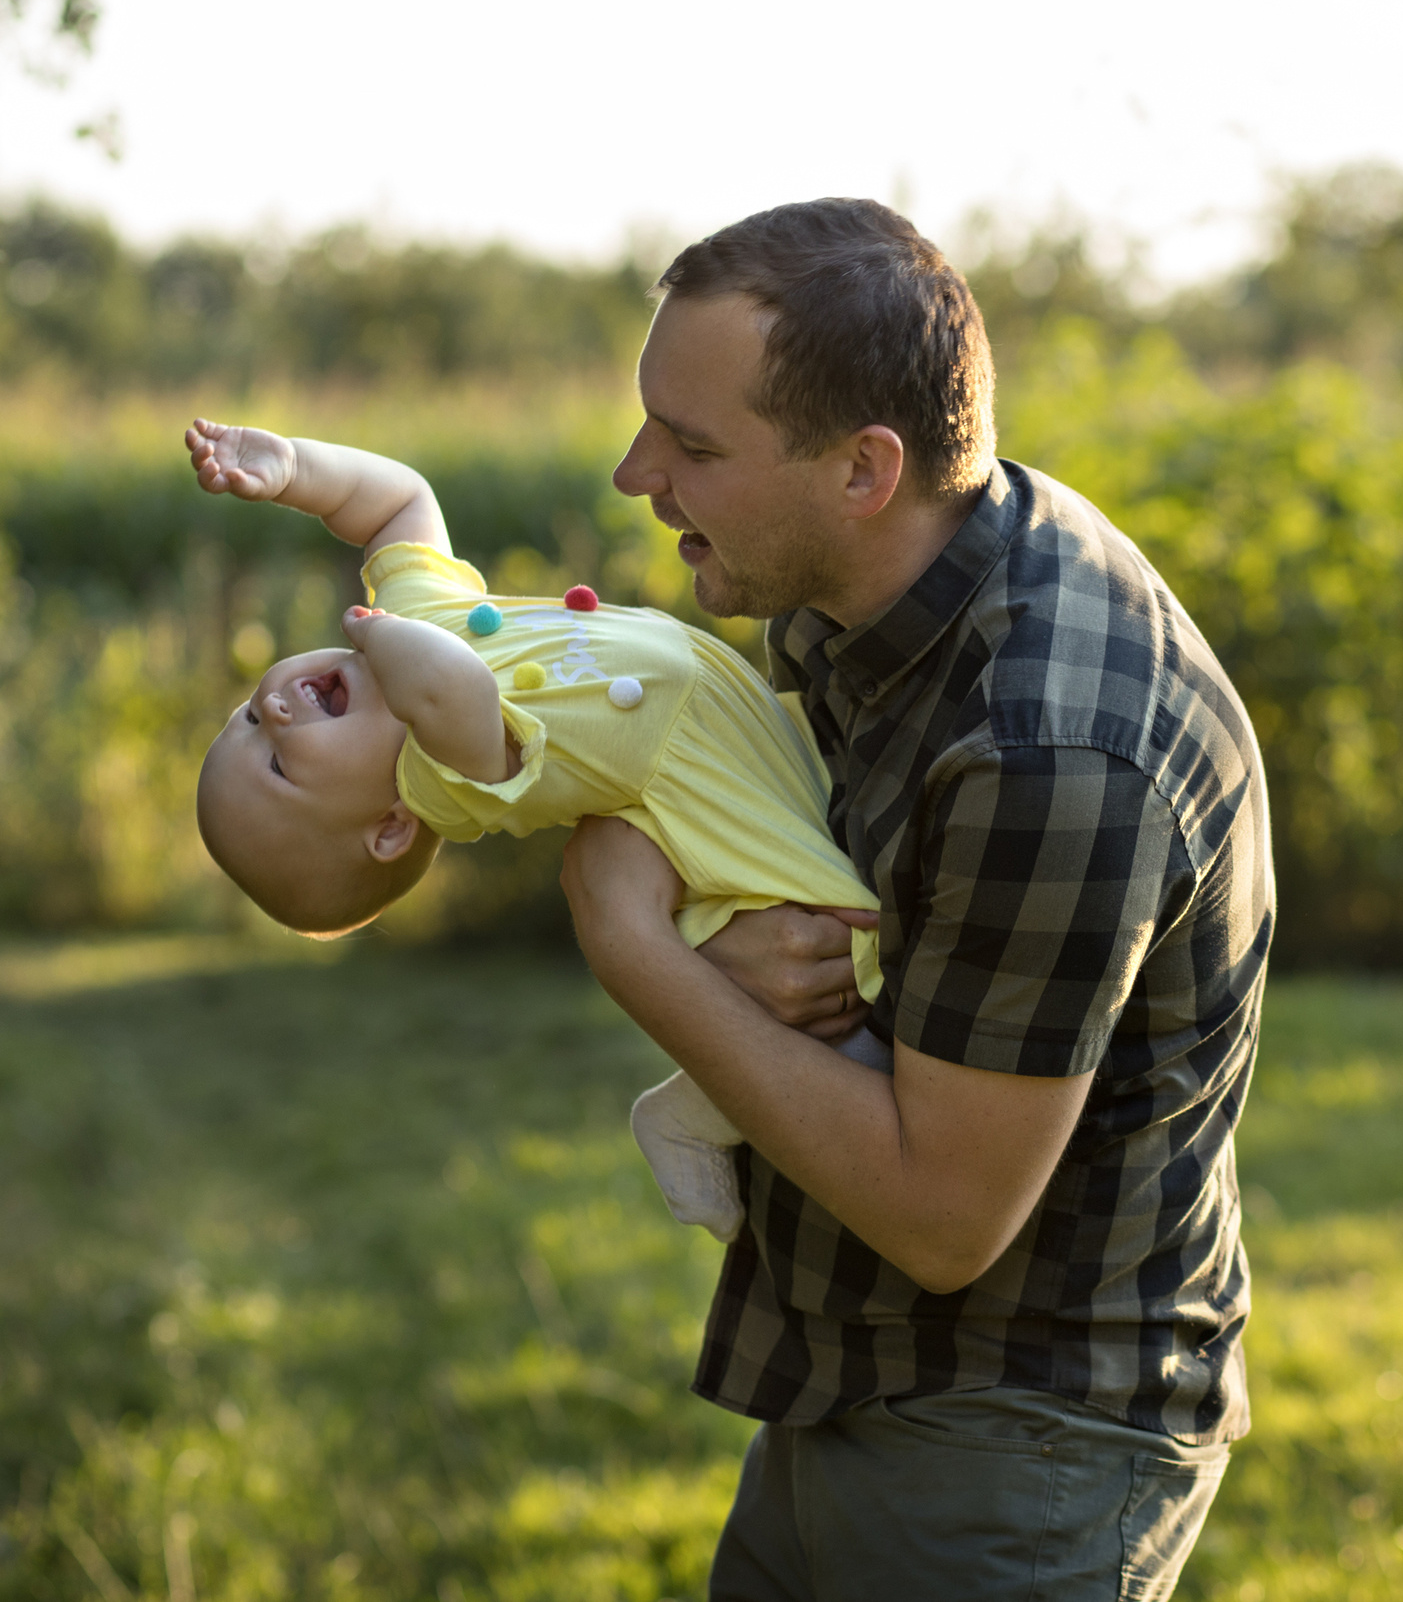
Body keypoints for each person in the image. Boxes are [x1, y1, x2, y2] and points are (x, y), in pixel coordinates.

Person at [555, 198, 1274, 1601]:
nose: (639, 472)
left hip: (1019, 1440)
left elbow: (946, 1214)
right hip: (865, 1378)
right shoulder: (879, 577)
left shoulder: (1048, 746)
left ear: (865, 468)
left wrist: (639, 948)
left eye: (694, 445)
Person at [187, 419, 890, 1240]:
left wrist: (297, 467)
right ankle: (697, 1118)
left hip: (727, 722)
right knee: (853, 945)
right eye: (277, 760)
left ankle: (712, 1107)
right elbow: (459, 694)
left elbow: (400, 502)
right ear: (386, 831)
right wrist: (382, 634)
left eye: (246, 716)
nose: (270, 707)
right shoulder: (437, 776)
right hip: (716, 791)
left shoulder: (418, 620)